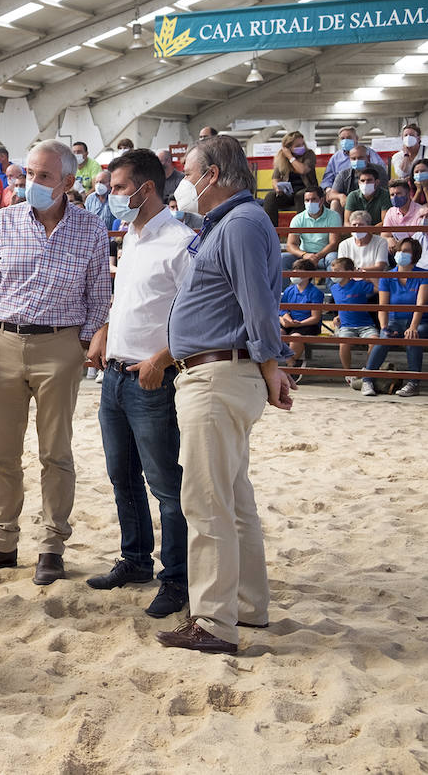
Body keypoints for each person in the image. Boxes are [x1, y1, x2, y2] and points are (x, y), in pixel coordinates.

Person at [156, 135, 293, 655]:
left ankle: (214, 621)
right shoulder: (237, 223)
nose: (185, 185)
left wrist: (272, 367)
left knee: (207, 502)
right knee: (233, 498)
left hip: (215, 376)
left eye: (189, 175)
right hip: (224, 373)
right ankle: (247, 604)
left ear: (212, 176)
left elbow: (257, 305)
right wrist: (268, 370)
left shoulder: (236, 225)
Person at [0, 140, 111, 586]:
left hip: (60, 347)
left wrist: (75, 350)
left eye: (44, 176)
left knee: (55, 453)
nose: (32, 184)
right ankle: (3, 541)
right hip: (2, 344)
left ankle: (52, 546)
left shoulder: (91, 229)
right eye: (29, 175)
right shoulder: (3, 222)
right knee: (0, 452)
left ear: (66, 181)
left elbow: (98, 297)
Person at [84, 148, 193, 619]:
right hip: (114, 373)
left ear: (146, 189)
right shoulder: (132, 235)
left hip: (152, 377)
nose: (112, 197)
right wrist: (107, 331)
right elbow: (128, 298)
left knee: (166, 484)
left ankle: (178, 578)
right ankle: (134, 559)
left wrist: (161, 360)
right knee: (121, 475)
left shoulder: (182, 242)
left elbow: (196, 316)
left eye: (120, 188)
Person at [362, 237, 427, 397]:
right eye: (399, 250)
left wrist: (412, 327)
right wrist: (384, 327)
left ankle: (413, 382)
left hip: (420, 321)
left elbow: (421, 304)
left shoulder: (424, 275)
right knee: (383, 338)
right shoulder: (387, 276)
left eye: (405, 251)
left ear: (415, 255)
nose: (401, 254)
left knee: (413, 336)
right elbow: (383, 307)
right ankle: (367, 380)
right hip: (394, 321)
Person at [327, 257, 379, 388]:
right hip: (346, 326)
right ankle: (348, 372)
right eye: (333, 270)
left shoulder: (360, 285)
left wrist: (368, 276)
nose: (334, 273)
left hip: (366, 325)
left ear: (349, 271)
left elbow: (379, 289)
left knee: (375, 341)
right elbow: (340, 304)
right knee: (343, 343)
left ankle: (368, 370)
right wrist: (337, 316)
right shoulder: (334, 288)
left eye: (337, 270)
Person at [279, 257, 325, 378]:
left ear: (308, 275)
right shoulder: (289, 290)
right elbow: (282, 309)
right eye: (294, 271)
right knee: (276, 334)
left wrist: (298, 324)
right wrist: (286, 320)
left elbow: (315, 318)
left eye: (299, 272)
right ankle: (292, 363)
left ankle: (291, 367)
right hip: (290, 322)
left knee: (295, 338)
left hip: (308, 325)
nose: (294, 275)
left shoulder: (315, 293)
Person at [263, 131, 319, 226]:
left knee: (300, 195)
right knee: (270, 197)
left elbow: (303, 170)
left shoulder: (309, 154)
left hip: (306, 191)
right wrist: (277, 188)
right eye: (297, 145)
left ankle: (300, 230)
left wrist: (290, 157)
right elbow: (275, 178)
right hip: (288, 193)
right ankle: (272, 231)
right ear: (288, 148)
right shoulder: (281, 158)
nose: (302, 147)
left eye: (302, 144)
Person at [283, 186, 342, 270]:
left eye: (313, 199)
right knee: (283, 259)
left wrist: (317, 256)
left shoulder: (333, 216)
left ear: (321, 200)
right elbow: (290, 245)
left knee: (333, 258)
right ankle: (290, 284)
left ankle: (332, 284)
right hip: (304, 257)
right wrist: (304, 255)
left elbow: (334, 243)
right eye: (307, 200)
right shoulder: (298, 218)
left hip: (324, 256)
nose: (310, 202)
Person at [323, 126, 385, 198]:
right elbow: (327, 179)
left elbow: (380, 171)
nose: (345, 141)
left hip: (370, 189)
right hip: (344, 192)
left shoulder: (368, 152)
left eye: (349, 138)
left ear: (356, 138)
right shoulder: (335, 158)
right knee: (335, 202)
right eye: (342, 139)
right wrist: (329, 190)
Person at [328, 145, 387, 212]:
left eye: (360, 158)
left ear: (368, 158)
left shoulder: (379, 170)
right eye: (353, 158)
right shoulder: (344, 174)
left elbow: (385, 192)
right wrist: (341, 196)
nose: (357, 161)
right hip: (351, 207)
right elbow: (331, 194)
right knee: (335, 202)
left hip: (374, 205)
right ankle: (336, 222)